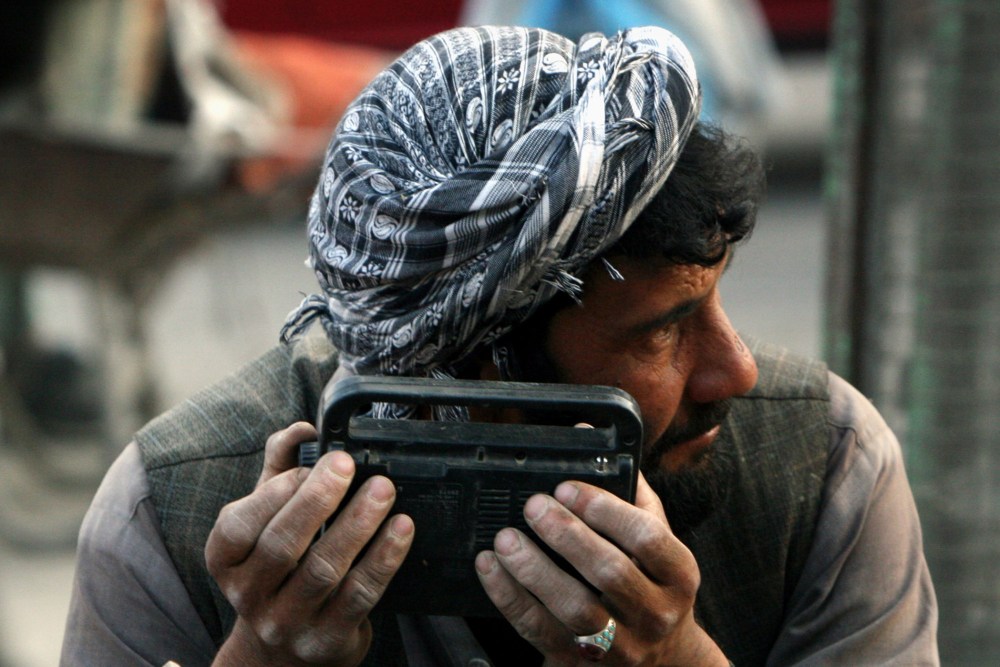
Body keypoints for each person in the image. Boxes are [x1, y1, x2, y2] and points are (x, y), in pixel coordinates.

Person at [61, 25, 938, 666]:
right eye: (661, 330)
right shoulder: (168, 510)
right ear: (466, 368)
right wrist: (267, 649)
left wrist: (673, 656)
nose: (735, 370)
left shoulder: (821, 469)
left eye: (711, 306)